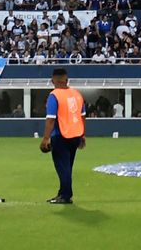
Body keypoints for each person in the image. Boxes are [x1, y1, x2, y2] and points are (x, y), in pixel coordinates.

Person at [40, 68, 86, 204]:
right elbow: (82, 116)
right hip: (76, 135)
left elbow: (51, 119)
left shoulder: (54, 95)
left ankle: (66, 195)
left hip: (61, 136)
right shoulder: (77, 94)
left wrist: (45, 138)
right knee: (68, 167)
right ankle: (63, 193)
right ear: (67, 80)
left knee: (62, 167)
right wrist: (83, 136)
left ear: (52, 81)